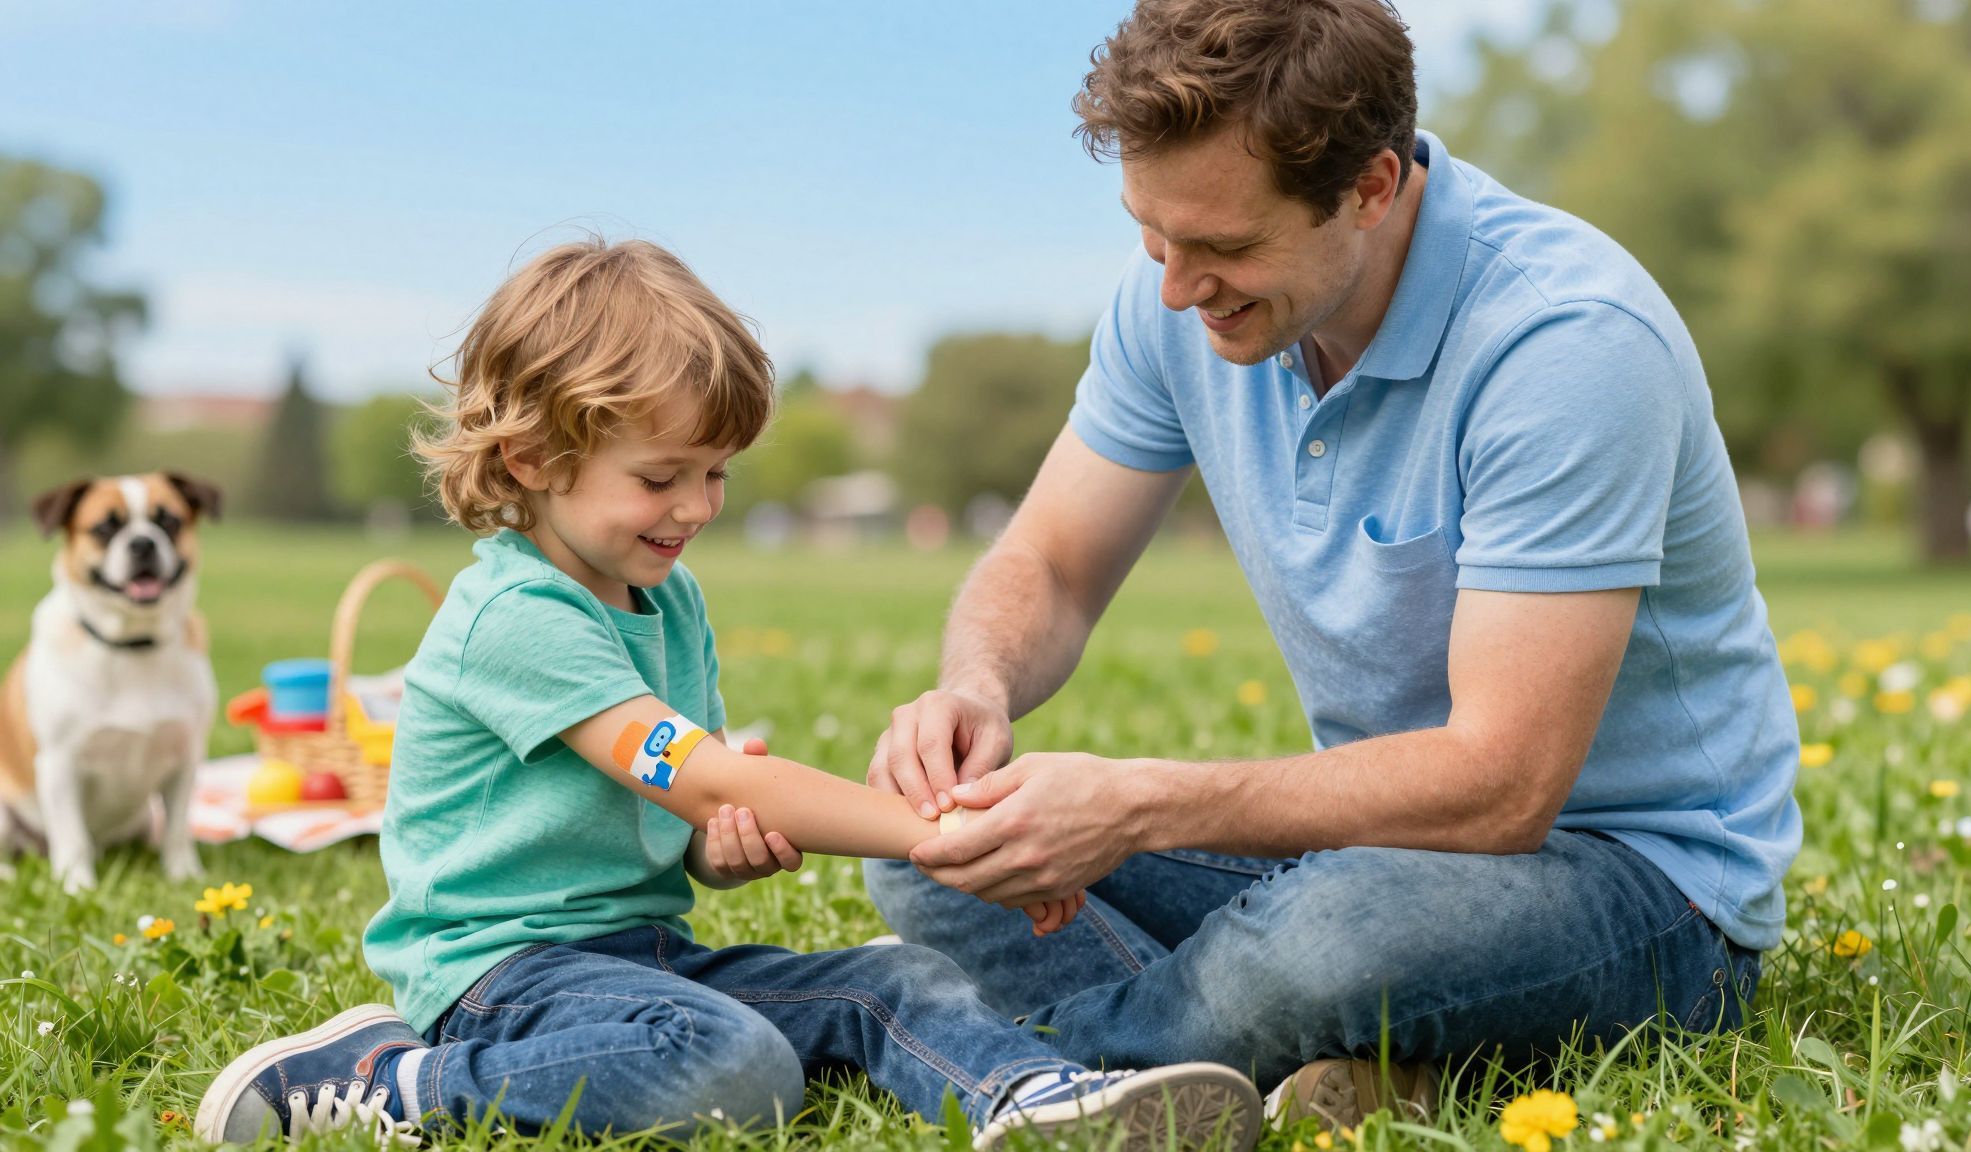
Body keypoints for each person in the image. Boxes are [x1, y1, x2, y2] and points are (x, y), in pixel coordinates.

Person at [865, 0, 1800, 1131]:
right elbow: (1052, 565)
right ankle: (1302, 1063)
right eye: (1150, 234)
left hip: (1638, 891)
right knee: (937, 845)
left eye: (1221, 246)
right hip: (1362, 849)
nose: (1174, 285)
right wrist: (976, 689)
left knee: (1331, 935)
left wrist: (1139, 806)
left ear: (1369, 186)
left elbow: (1503, 786)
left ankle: (994, 1058)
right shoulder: (1179, 297)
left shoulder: (1566, 343)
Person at [194, 239, 1260, 1150]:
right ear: (529, 459)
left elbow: (689, 808)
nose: (696, 505)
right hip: (500, 977)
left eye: (717, 473)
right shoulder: (515, 618)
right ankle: (393, 1081)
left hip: (641, 953)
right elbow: (693, 774)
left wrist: (719, 846)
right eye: (660, 477)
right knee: (727, 1064)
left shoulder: (672, 598)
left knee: (892, 983)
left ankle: (1032, 1101)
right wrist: (943, 837)